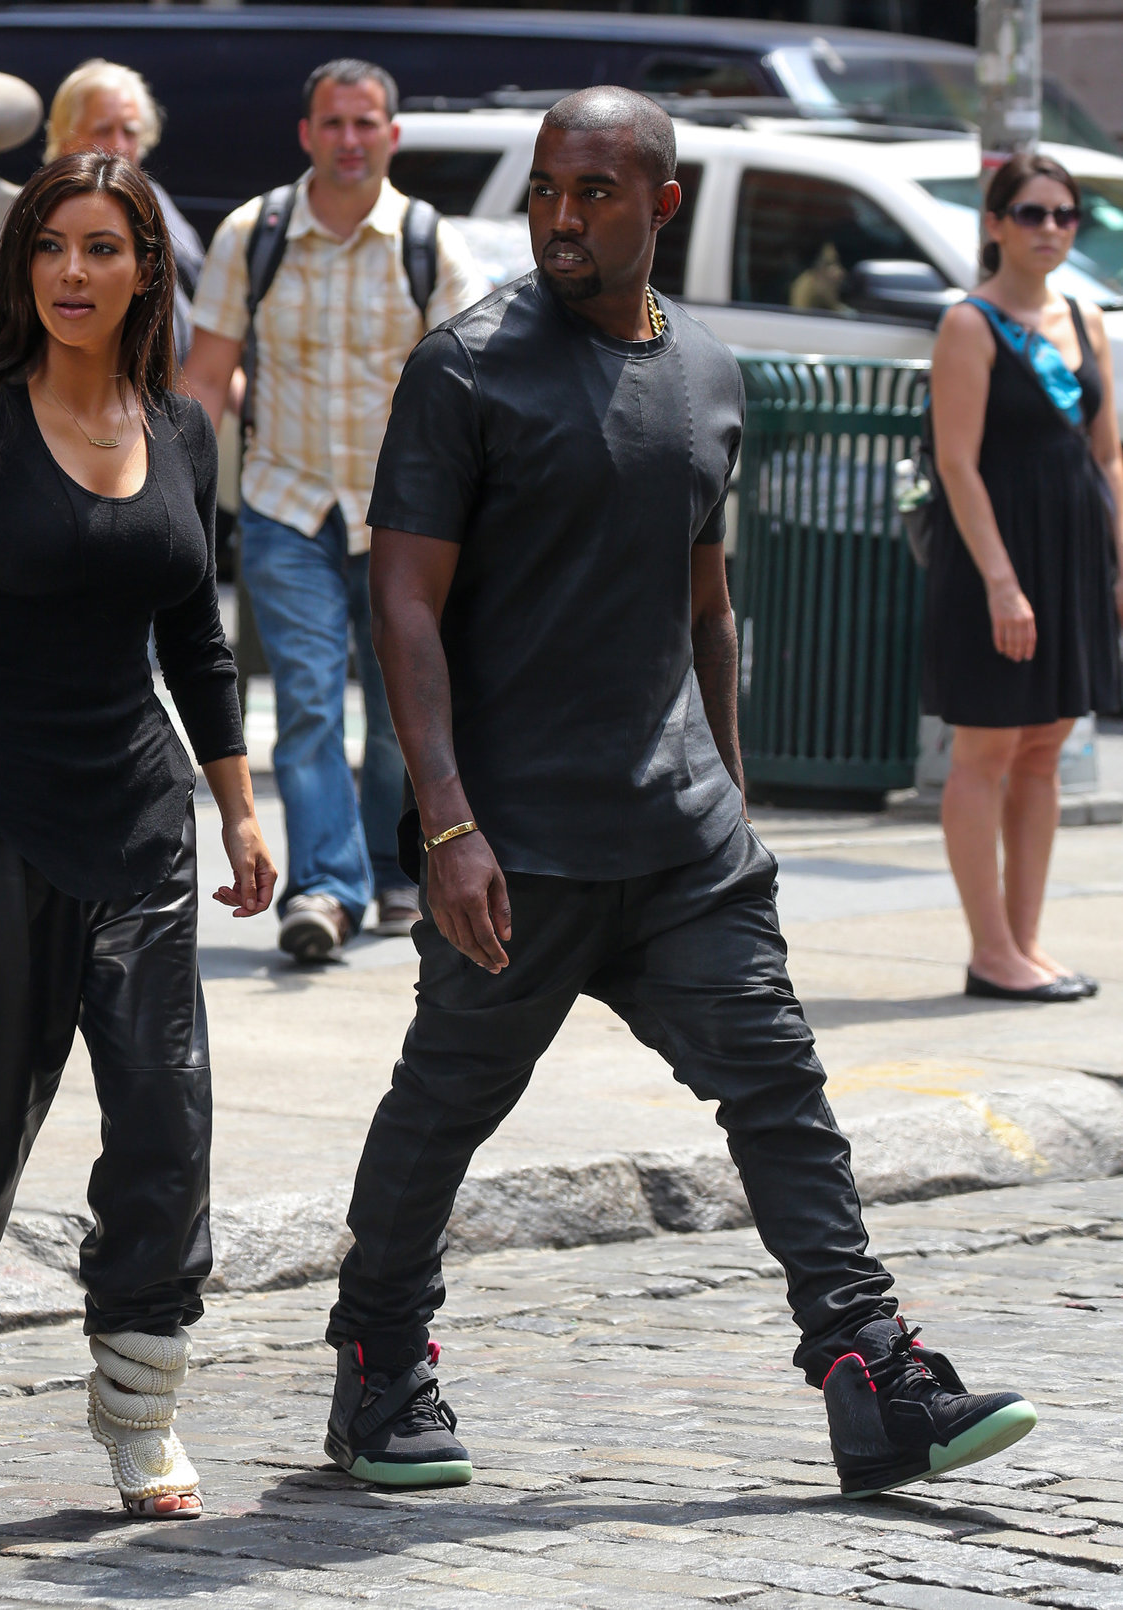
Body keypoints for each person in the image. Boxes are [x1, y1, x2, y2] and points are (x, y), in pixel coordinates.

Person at [321, 87, 1036, 1499]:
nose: (560, 215)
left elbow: (705, 602)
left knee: (779, 1088)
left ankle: (867, 1371)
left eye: (592, 191)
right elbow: (400, 605)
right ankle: (375, 1361)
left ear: (658, 205)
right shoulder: (466, 370)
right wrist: (446, 820)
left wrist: (731, 784)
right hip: (516, 847)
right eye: (544, 189)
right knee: (441, 1111)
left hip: (682, 842)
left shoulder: (707, 372)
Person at [0, 152, 276, 1517]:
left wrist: (238, 799)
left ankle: (141, 1401)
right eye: (49, 248)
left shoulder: (182, 427)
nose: (72, 273)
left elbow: (196, 634)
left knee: (164, 1113)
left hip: (135, 815)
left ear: (148, 265)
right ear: (23, 269)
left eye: (101, 248)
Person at [184, 57, 488, 962]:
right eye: (333, 123)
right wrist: (176, 499)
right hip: (285, 505)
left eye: (366, 124)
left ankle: (395, 874)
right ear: (306, 133)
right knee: (309, 705)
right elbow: (205, 374)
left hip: (403, 520)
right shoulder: (256, 232)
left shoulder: (430, 241)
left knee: (403, 706)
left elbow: (476, 386)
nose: (349, 141)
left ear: (391, 137)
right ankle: (324, 889)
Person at [926, 152, 1123, 1003]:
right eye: (1033, 213)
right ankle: (990, 951)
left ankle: (1027, 944)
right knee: (989, 749)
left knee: (1045, 748)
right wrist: (1003, 584)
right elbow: (957, 467)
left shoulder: (1086, 319)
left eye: (1064, 214)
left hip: (1073, 555)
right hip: (995, 561)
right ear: (996, 224)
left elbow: (1107, 451)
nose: (1050, 228)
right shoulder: (968, 326)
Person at [45, 58, 204, 368]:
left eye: (129, 132)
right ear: (65, 140)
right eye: (103, 130)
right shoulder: (44, 210)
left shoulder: (155, 199)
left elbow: (202, 293)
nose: (119, 146)